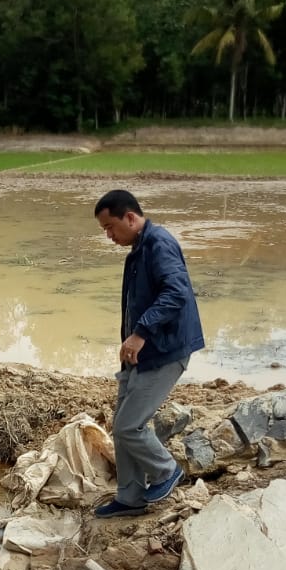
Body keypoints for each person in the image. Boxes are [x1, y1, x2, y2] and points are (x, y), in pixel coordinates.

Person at [93, 189, 204, 518]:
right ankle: (130, 497)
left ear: (130, 217)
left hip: (164, 351)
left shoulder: (158, 244)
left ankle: (165, 471)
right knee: (121, 425)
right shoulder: (139, 249)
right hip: (140, 352)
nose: (109, 236)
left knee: (129, 426)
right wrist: (129, 341)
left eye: (110, 227)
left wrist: (140, 334)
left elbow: (177, 291)